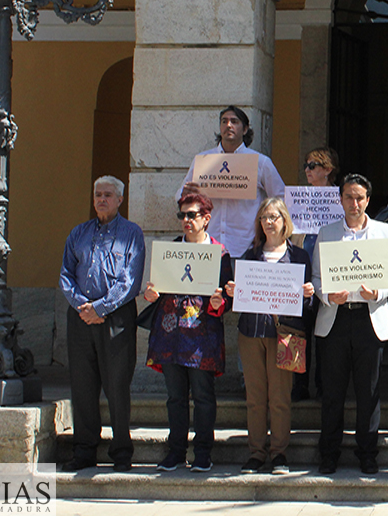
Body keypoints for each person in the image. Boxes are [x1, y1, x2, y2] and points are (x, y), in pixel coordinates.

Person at [313, 174, 388, 475]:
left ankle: (367, 453)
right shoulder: (327, 232)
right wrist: (327, 296)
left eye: (360, 197)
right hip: (335, 319)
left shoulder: (385, 232)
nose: (354, 203)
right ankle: (329, 454)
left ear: (368, 200)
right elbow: (315, 277)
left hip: (369, 318)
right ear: (340, 199)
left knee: (369, 392)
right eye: (349, 197)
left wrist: (378, 292)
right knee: (333, 393)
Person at [58, 176, 145, 472]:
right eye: (97, 195)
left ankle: (121, 452)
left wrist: (101, 307)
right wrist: (83, 305)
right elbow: (66, 274)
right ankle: (84, 450)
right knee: (82, 385)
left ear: (120, 199)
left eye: (108, 195)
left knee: (117, 384)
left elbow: (130, 280)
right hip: (80, 316)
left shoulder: (131, 233)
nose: (101, 200)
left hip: (117, 317)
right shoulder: (78, 233)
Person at [142, 193, 232, 473]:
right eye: (182, 215)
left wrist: (220, 303)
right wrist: (150, 293)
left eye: (192, 215)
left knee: (204, 396)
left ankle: (203, 452)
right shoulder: (170, 250)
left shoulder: (221, 253)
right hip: (171, 334)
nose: (186, 221)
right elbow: (156, 289)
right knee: (175, 397)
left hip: (203, 337)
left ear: (206, 218)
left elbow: (227, 296)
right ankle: (176, 451)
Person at [225, 198, 315, 475]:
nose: (269, 222)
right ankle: (256, 453)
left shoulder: (299, 256)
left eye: (274, 216)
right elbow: (239, 298)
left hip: (287, 335)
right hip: (251, 333)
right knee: (255, 397)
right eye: (264, 217)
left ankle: (279, 454)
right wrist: (233, 292)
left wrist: (308, 295)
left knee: (280, 397)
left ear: (284, 220)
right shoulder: (250, 255)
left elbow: (308, 305)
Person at [178, 106, 287, 258]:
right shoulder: (203, 160)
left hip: (246, 246)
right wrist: (186, 196)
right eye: (224, 121)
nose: (228, 125)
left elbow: (282, 199)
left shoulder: (260, 162)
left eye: (234, 121)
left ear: (245, 129)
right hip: (209, 247)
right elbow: (180, 197)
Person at [293, 146, 340, 402]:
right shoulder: (299, 198)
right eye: (306, 166)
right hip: (301, 272)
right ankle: (299, 384)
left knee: (325, 334)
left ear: (327, 170)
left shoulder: (341, 199)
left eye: (313, 166)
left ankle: (323, 384)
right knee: (300, 332)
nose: (307, 171)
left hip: (329, 273)